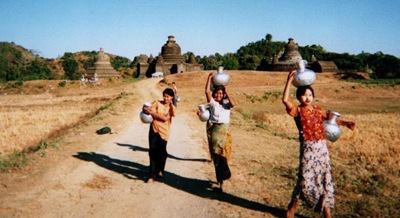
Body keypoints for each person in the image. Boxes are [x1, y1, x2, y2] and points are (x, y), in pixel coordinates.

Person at [282, 69, 356, 218]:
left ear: (313, 97)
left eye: (310, 95)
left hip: (321, 147)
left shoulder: (318, 110)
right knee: (304, 180)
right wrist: (289, 81)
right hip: (308, 148)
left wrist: (346, 123)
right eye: (304, 95)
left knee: (324, 178)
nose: (307, 97)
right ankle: (292, 209)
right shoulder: (297, 111)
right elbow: (285, 100)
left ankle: (326, 214)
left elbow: (332, 120)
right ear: (299, 97)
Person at [201, 71, 234, 192]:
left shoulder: (226, 105)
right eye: (217, 93)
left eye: (221, 94)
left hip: (225, 134)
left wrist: (227, 91)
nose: (218, 95)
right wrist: (209, 78)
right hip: (215, 133)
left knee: (224, 156)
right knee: (217, 157)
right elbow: (207, 92)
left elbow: (233, 103)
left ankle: (223, 176)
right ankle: (221, 182)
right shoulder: (213, 104)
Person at [142, 88, 176, 183]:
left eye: (168, 97)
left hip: (164, 132)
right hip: (154, 129)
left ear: (171, 97)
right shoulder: (157, 102)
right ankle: (152, 174)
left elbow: (165, 118)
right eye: (164, 96)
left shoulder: (172, 108)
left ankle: (160, 169)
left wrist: (153, 113)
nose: (165, 98)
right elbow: (147, 109)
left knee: (162, 153)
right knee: (152, 151)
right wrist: (146, 109)